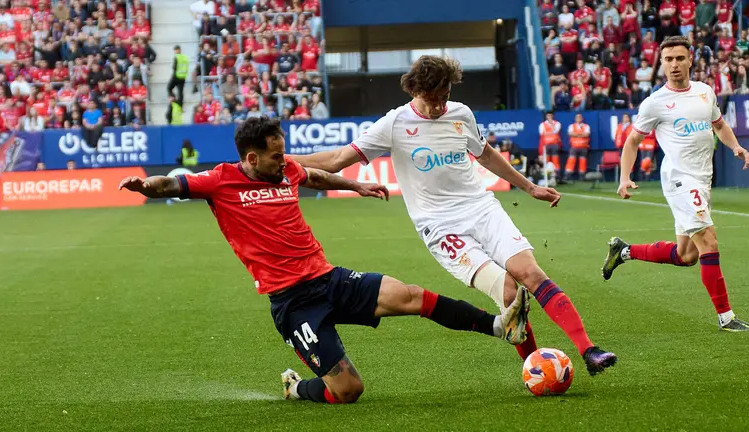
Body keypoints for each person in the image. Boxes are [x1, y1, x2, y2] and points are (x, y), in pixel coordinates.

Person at [119, 116, 530, 404]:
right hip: (293, 304)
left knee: (409, 294)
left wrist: (355, 185)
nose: (286, 162)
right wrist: (145, 186)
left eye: (285, 153)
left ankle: (499, 326)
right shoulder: (220, 180)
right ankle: (296, 389)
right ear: (250, 159)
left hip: (329, 278)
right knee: (349, 391)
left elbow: (315, 176)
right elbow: (171, 182)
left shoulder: (288, 172)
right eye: (276, 156)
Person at [292, 55, 617, 375]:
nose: (437, 106)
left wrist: (530, 187)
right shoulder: (394, 124)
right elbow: (336, 159)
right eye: (431, 99)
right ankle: (534, 367)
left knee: (530, 273)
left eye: (443, 97)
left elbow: (485, 154)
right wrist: (282, 161)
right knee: (508, 291)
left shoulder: (461, 114)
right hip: (440, 227)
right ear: (413, 90)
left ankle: (589, 349)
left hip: (481, 208)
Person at [603, 36, 749, 332]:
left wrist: (735, 147)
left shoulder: (704, 92)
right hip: (679, 180)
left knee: (687, 255)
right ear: (662, 64)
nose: (674, 64)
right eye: (668, 59)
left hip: (702, 179)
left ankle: (624, 251)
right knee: (709, 242)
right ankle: (726, 317)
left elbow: (719, 125)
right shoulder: (655, 103)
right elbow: (632, 141)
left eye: (679, 58)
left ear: (690, 60)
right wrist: (624, 178)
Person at [565, 113, 591, 180]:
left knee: (583, 161)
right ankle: (568, 175)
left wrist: (576, 134)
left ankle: (582, 176)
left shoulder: (586, 126)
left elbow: (587, 134)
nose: (578, 119)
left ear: (582, 118)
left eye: (580, 117)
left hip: (583, 146)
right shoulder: (571, 126)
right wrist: (581, 134)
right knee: (571, 160)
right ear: (575, 119)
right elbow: (570, 133)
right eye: (577, 117)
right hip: (574, 146)